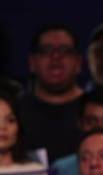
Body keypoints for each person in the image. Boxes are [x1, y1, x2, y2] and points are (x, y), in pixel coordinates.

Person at [18, 24, 84, 164]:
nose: (56, 57)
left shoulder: (95, 112)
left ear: (78, 63)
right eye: (46, 50)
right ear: (32, 63)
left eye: (65, 51)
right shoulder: (14, 112)